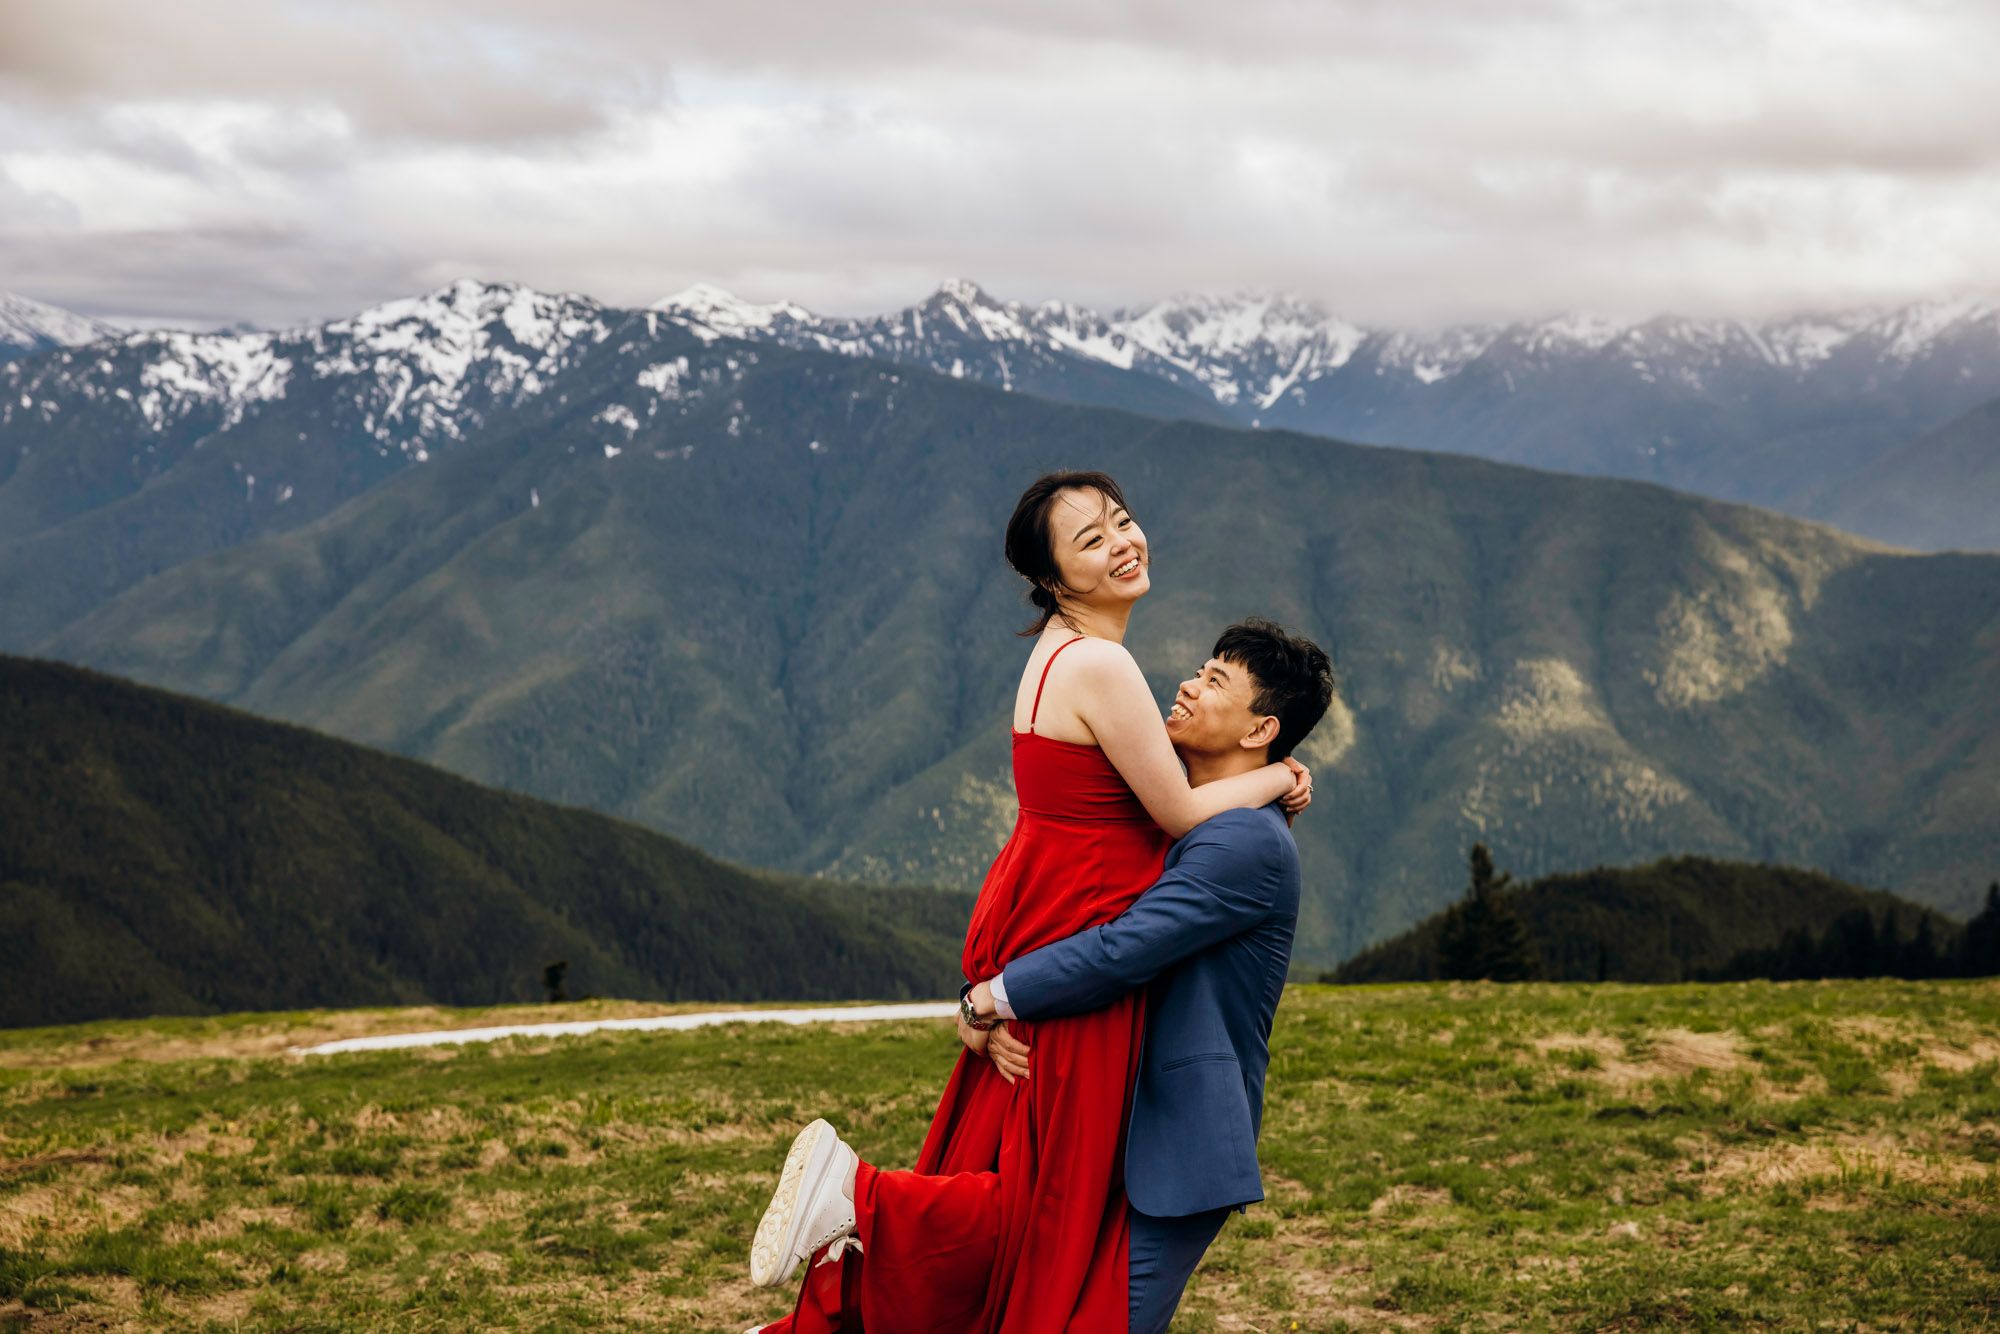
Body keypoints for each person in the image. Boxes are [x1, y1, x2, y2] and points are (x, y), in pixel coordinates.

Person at [745, 471, 1313, 1334]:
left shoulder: (1059, 650)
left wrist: (991, 977)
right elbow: (1179, 813)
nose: (1122, 542)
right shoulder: (1101, 664)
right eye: (1090, 540)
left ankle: (842, 1296)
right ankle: (863, 1202)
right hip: (1076, 941)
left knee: (1030, 1189)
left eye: (1121, 521)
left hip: (1042, 920)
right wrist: (1282, 774)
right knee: (1052, 1209)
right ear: (1054, 580)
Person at [966, 617, 1334, 1333]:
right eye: (1200, 670)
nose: (1188, 686)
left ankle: (864, 1209)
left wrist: (994, 995)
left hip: (1175, 1148)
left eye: (1215, 682)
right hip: (1105, 1122)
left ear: (1261, 729)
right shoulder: (1173, 808)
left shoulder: (1244, 843)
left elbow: (1121, 949)